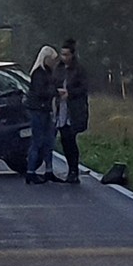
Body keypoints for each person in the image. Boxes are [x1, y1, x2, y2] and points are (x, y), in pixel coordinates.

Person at [23, 45, 62, 184]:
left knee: (48, 142)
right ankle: (30, 172)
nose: (54, 62)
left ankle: (48, 171)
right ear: (45, 59)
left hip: (45, 109)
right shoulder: (38, 73)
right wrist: (56, 93)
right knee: (37, 141)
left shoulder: (47, 72)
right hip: (38, 110)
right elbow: (41, 92)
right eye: (52, 59)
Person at [53, 38, 90, 184]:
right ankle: (70, 169)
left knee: (71, 139)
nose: (64, 57)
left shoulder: (79, 70)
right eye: (62, 54)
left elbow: (84, 88)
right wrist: (56, 92)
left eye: (67, 54)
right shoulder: (59, 69)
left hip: (74, 109)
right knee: (64, 140)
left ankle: (73, 170)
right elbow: (52, 83)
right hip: (61, 108)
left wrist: (71, 93)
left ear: (73, 55)